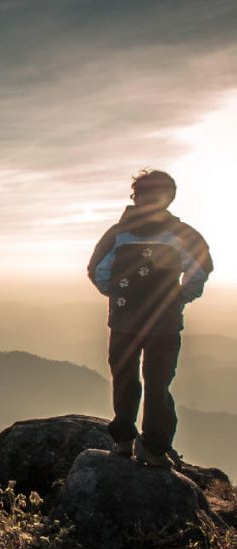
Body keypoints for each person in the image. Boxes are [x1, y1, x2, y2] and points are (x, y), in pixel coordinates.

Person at [87, 170, 213, 468]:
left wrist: (119, 297)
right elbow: (202, 266)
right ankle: (154, 448)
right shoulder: (181, 234)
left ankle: (123, 441)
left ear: (137, 196)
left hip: (124, 322)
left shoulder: (117, 234)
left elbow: (97, 271)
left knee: (125, 380)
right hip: (164, 323)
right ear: (168, 198)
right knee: (158, 383)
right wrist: (182, 296)